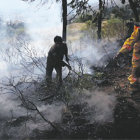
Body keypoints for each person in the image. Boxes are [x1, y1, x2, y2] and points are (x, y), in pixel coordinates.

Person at [116, 23, 140, 92]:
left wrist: (120, 53)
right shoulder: (138, 31)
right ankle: (134, 90)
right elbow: (130, 42)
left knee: (135, 73)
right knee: (136, 72)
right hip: (138, 57)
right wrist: (121, 52)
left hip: (137, 57)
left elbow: (130, 41)